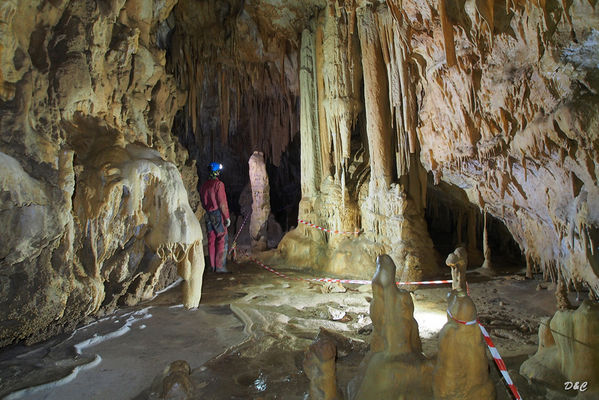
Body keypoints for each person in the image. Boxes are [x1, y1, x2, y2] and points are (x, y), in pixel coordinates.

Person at [200, 162, 231, 273]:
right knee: (222, 238)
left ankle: (211, 266)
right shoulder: (218, 185)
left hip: (207, 214)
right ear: (217, 172)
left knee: (211, 240)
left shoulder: (204, 185)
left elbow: (203, 202)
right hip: (217, 214)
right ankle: (220, 267)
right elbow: (222, 202)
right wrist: (226, 217)